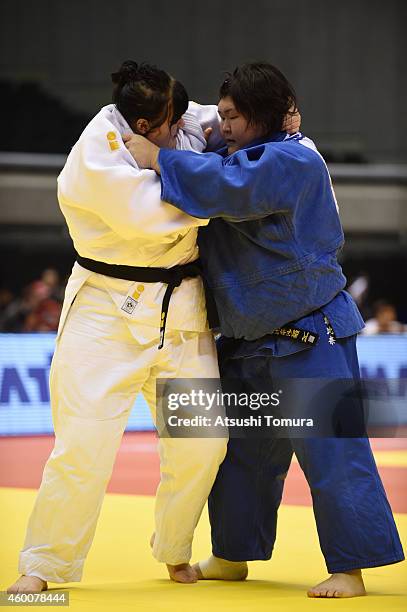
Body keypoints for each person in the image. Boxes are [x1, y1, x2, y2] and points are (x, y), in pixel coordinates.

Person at [124, 61, 405, 598]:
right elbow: (218, 163)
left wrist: (160, 157)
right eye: (222, 115)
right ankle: (232, 553)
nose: (222, 125)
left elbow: (231, 188)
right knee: (242, 455)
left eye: (232, 116)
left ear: (262, 115)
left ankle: (351, 568)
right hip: (247, 339)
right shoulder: (233, 154)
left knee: (332, 450)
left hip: (309, 332)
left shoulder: (294, 159)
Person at [7, 60, 229, 593]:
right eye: (172, 125)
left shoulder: (176, 119)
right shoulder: (94, 157)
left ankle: (175, 547)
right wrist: (220, 190)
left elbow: (214, 119)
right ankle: (44, 567)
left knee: (203, 442)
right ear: (146, 127)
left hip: (181, 311)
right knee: (83, 445)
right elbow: (154, 216)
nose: (185, 130)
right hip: (105, 315)